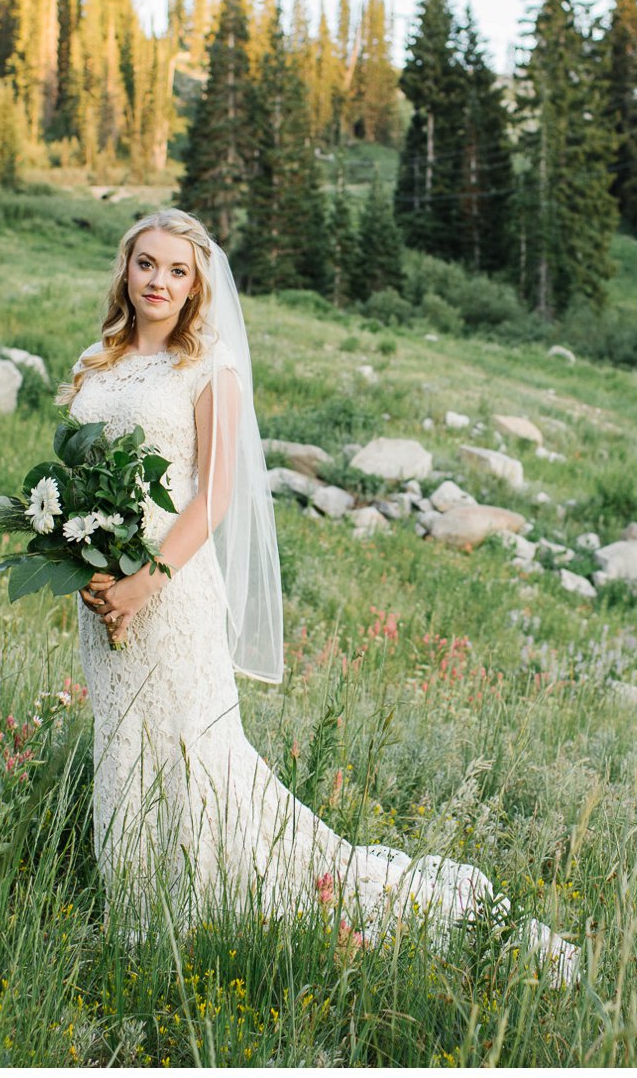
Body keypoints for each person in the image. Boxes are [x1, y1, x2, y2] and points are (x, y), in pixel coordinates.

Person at [59, 207, 578, 984]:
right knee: (122, 743)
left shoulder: (209, 367)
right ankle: (135, 901)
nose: (158, 282)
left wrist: (143, 580)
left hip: (167, 585)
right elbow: (75, 471)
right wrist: (86, 562)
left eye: (176, 270)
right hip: (102, 585)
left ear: (197, 284)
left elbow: (217, 495)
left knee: (191, 747)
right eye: (146, 264)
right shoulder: (97, 359)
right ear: (124, 270)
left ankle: (200, 904)